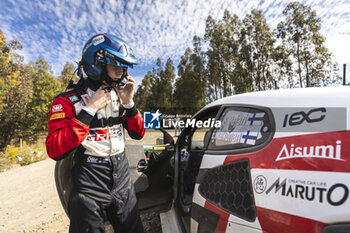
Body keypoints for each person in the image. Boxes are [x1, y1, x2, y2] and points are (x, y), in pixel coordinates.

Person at [46, 33, 145, 233]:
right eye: (115, 64)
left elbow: (138, 133)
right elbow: (54, 149)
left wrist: (129, 103)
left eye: (124, 66)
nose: (121, 71)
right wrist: (88, 111)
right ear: (96, 63)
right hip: (89, 178)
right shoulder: (67, 101)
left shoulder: (119, 93)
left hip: (122, 174)